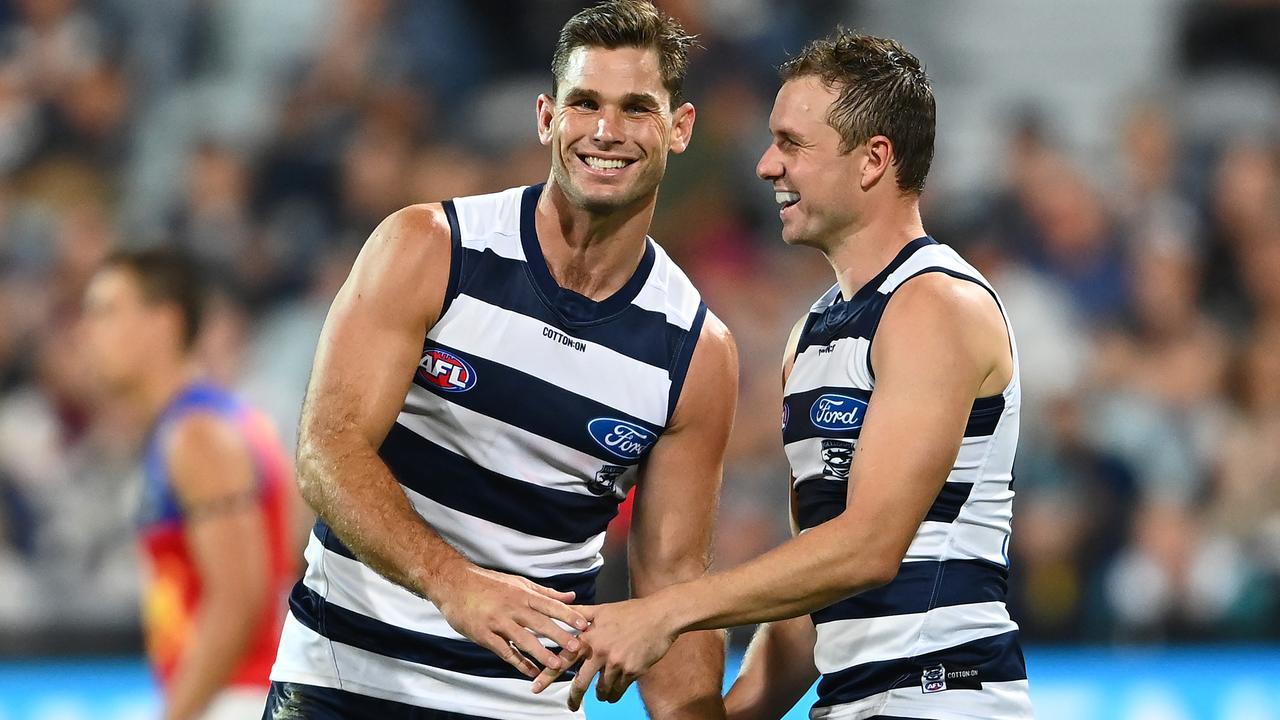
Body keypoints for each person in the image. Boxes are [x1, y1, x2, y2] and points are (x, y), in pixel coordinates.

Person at [534, 30, 1035, 720]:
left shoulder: (936, 305)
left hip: (944, 702)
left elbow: (866, 548)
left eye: (793, 144)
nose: (768, 165)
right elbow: (816, 584)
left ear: (872, 161)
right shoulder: (816, 333)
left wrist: (664, 614)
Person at [263, 1, 738, 718]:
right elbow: (328, 451)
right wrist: (457, 584)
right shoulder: (429, 249)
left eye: (636, 108)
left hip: (522, 704)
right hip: (343, 681)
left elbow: (670, 582)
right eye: (586, 104)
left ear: (679, 128)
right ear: (547, 117)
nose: (606, 131)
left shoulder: (696, 353)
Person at [80, 250, 299, 720]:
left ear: (163, 323)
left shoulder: (199, 436)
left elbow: (239, 599)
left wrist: (176, 714)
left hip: (236, 698)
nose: (89, 332)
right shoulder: (208, 424)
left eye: (107, 311)